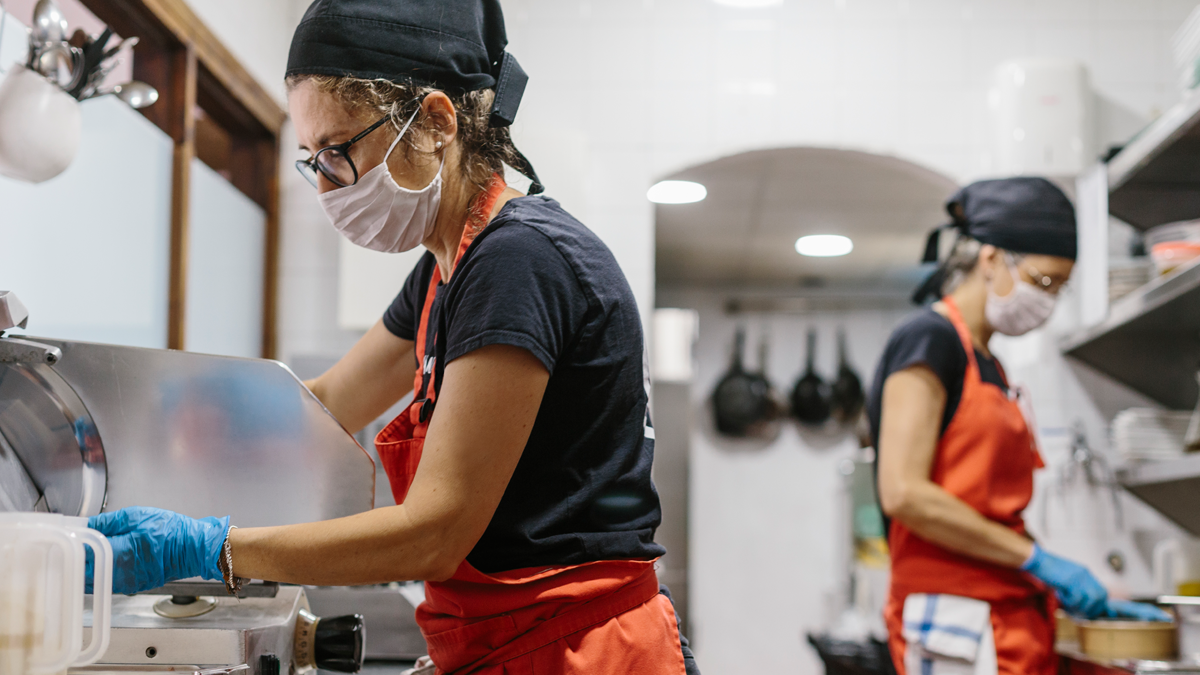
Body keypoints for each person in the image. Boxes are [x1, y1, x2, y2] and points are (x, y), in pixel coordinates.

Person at [84, 2, 698, 673]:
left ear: (435, 122)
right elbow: (320, 414)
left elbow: (435, 531)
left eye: (338, 151)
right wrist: (162, 435)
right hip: (508, 642)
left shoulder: (519, 260)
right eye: (310, 159)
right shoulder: (445, 269)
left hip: (579, 651)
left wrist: (211, 546)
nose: (323, 184)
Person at [867, 177, 1169, 675]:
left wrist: (1047, 578)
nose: (1047, 301)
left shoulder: (990, 363)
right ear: (991, 259)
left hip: (1004, 610)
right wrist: (1036, 560)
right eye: (1043, 281)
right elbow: (903, 493)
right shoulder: (929, 340)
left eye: (1059, 288)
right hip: (955, 618)